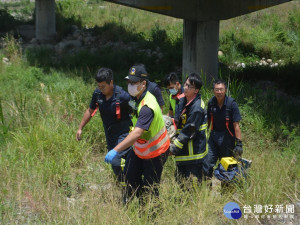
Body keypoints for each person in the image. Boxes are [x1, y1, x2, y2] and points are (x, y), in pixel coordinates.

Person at [104, 66, 170, 203]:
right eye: (129, 82)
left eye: (134, 83)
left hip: (155, 152)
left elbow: (138, 132)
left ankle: (150, 213)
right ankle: (139, 203)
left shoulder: (147, 106)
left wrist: (116, 150)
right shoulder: (136, 98)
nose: (130, 86)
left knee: (150, 187)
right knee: (129, 176)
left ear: (143, 84)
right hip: (140, 149)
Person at [76, 67, 132, 185]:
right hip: (109, 133)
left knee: (116, 161)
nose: (101, 89)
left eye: (103, 87)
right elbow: (90, 111)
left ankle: (128, 186)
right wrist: (80, 128)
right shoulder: (97, 94)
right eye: (99, 87)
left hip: (124, 133)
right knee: (115, 163)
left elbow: (137, 111)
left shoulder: (123, 96)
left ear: (111, 82)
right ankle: (124, 184)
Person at [169, 73, 208, 188]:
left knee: (193, 189)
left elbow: (188, 131)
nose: (185, 87)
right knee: (181, 185)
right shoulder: (182, 101)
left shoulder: (197, 108)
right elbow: (178, 122)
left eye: (189, 86)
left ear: (196, 90)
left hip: (193, 155)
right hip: (183, 153)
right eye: (185, 84)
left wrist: (174, 147)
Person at [203, 79, 243, 180]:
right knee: (207, 164)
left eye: (221, 89)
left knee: (227, 168)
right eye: (217, 90)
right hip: (213, 137)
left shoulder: (231, 104)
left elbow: (236, 125)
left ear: (225, 90)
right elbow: (208, 121)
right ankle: (207, 191)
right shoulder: (211, 103)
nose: (219, 92)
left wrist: (239, 144)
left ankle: (226, 194)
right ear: (213, 91)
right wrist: (202, 135)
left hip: (227, 139)